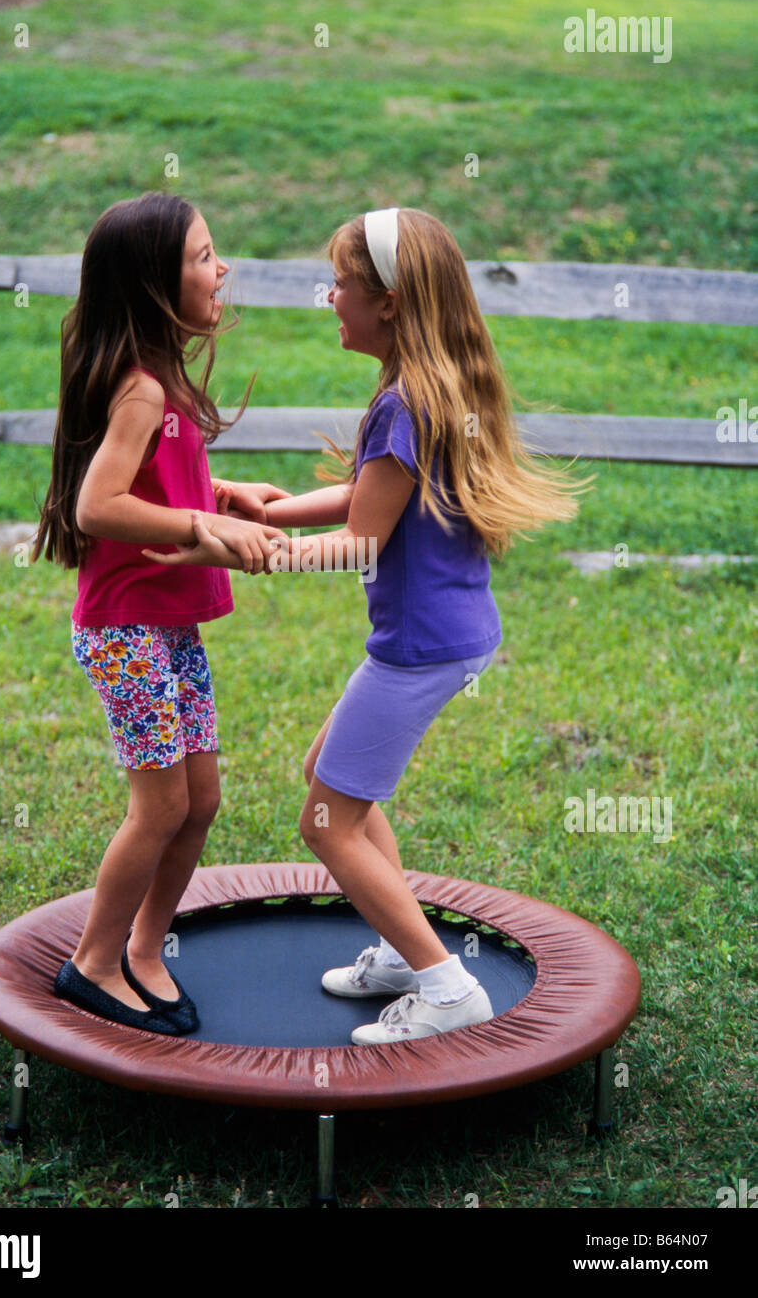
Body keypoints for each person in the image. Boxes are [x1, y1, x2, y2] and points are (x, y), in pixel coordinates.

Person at [144, 206, 588, 1045]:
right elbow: (370, 496)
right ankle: (398, 945)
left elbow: (360, 542)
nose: (329, 299)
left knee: (323, 821)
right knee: (331, 779)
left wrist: (240, 550)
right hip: (442, 637)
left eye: (340, 285)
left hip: (419, 650)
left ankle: (444, 985)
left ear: (388, 302)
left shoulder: (404, 403)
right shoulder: (424, 390)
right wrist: (268, 501)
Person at [30, 192, 289, 1035]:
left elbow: (157, 482)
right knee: (161, 807)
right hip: (123, 630)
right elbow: (99, 505)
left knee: (201, 798)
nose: (223, 269)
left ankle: (146, 949)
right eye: (205, 257)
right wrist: (200, 525)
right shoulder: (140, 388)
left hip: (163, 627)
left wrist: (222, 493)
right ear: (153, 283)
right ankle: (92, 964)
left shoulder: (161, 378)